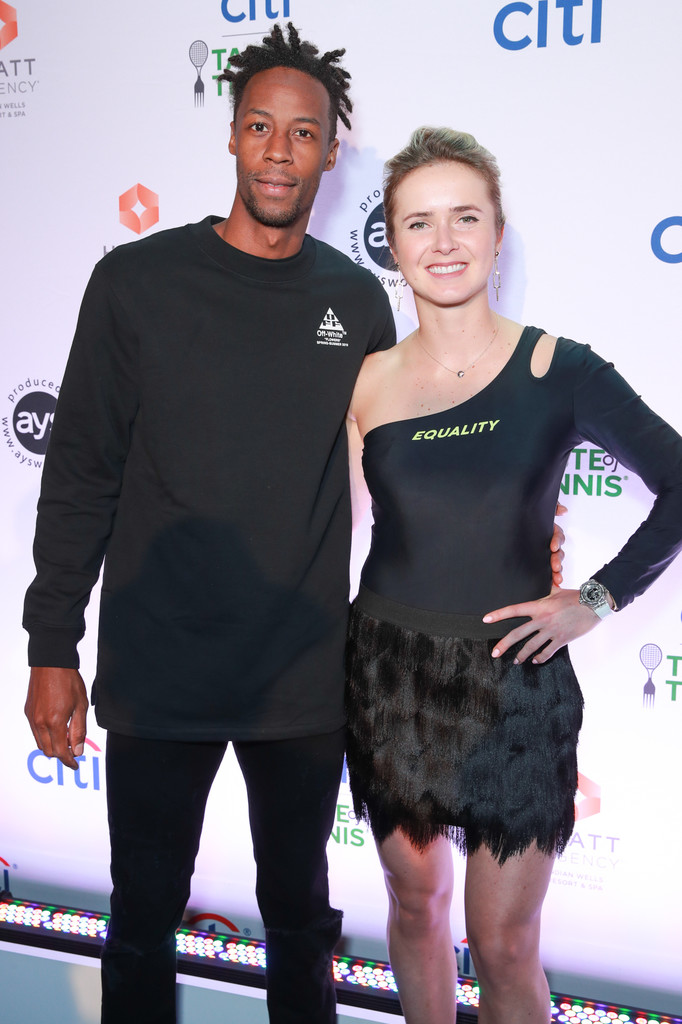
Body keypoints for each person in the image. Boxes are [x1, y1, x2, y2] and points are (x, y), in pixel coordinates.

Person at [21, 23, 394, 1024]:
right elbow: (81, 472)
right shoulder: (136, 283)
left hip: (302, 676)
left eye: (303, 133)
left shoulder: (358, 301)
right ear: (231, 135)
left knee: (300, 923)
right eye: (261, 127)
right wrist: (52, 646)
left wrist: (517, 525)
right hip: (160, 669)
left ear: (330, 152)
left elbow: (405, 469)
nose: (279, 151)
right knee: (143, 918)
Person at [344, 126, 682, 1024]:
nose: (443, 241)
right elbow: (310, 522)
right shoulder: (363, 381)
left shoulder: (561, 369)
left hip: (517, 683)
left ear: (498, 235)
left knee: (502, 944)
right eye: (419, 222)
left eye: (465, 217)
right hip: (388, 677)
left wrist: (596, 598)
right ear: (392, 243)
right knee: (414, 908)